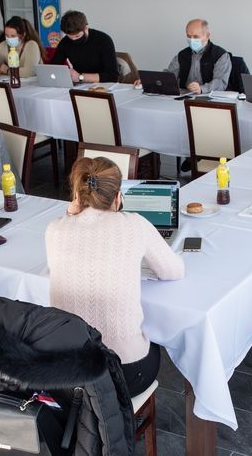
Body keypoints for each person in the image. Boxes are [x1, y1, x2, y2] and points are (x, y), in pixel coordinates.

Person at [45, 157, 185, 396]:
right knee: (153, 340)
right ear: (119, 197)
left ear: (77, 195)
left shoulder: (55, 229)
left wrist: (69, 215)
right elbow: (174, 271)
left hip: (68, 373)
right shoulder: (135, 224)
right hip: (125, 375)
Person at [155, 19, 232, 94]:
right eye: (189, 36)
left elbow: (220, 82)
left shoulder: (220, 55)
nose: (191, 40)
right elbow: (169, 75)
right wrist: (155, 80)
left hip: (209, 97)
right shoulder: (182, 55)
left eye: (196, 37)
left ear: (207, 35)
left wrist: (201, 89)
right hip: (184, 96)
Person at [50, 10, 119, 83]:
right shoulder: (65, 42)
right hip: (80, 84)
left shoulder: (103, 40)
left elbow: (113, 76)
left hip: (103, 84)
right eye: (70, 37)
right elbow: (54, 67)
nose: (73, 39)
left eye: (77, 36)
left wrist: (80, 77)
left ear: (86, 28)